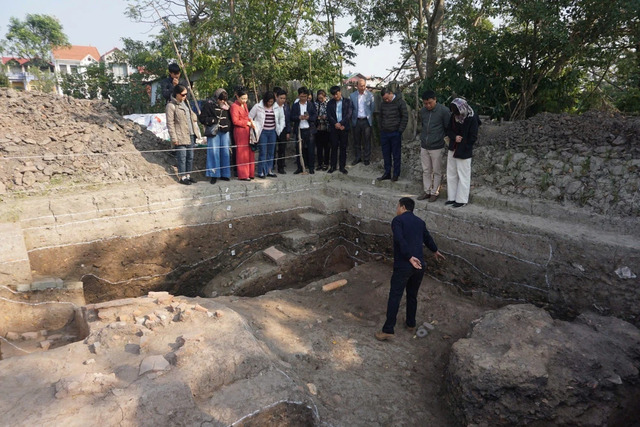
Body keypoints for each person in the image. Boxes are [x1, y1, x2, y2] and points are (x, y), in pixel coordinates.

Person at [375, 197, 445, 341]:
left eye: (397, 206)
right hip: (420, 265)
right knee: (412, 295)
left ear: (402, 207)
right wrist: (435, 250)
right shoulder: (420, 222)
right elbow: (427, 238)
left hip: (405, 264)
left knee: (395, 296)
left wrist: (408, 257)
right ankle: (411, 323)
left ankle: (388, 329)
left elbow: (400, 240)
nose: (396, 209)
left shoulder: (398, 221)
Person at [445, 98, 480, 208]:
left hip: (464, 150)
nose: (456, 114)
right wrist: (454, 137)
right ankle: (452, 197)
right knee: (451, 173)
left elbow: (473, 137)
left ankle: (461, 200)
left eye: (457, 111)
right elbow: (449, 130)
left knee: (463, 175)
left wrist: (463, 143)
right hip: (453, 148)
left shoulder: (472, 118)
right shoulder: (453, 116)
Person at [418, 90, 451, 202]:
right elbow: (422, 125)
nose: (428, 105)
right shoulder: (423, 111)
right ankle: (427, 191)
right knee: (426, 170)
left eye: (430, 103)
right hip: (424, 145)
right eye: (425, 103)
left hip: (437, 146)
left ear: (435, 99)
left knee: (437, 170)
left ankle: (435, 192)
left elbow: (447, 127)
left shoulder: (444, 111)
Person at [166, 84, 201, 185]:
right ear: (177, 94)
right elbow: (170, 123)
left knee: (190, 156)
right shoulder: (171, 106)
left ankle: (188, 175)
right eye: (183, 94)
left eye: (186, 94)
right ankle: (182, 177)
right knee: (182, 157)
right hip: (180, 135)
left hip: (191, 133)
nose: (185, 96)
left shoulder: (186, 103)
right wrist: (173, 138)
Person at [199, 88, 232, 184]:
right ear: (216, 97)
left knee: (225, 152)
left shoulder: (227, 106)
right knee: (213, 152)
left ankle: (225, 174)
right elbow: (202, 118)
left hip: (225, 132)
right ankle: (213, 174)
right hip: (214, 132)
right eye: (220, 99)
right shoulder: (209, 105)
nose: (222, 101)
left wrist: (227, 125)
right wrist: (212, 120)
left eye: (224, 100)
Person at [249, 91, 284, 178]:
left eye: (271, 102)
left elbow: (281, 118)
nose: (270, 103)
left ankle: (269, 170)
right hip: (263, 132)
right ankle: (261, 171)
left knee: (271, 152)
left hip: (272, 131)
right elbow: (250, 117)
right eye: (268, 102)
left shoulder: (276, 107)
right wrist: (255, 126)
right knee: (263, 152)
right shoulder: (258, 106)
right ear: (265, 101)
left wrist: (279, 129)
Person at [378, 87, 409, 182]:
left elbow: (405, 117)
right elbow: (380, 117)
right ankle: (387, 173)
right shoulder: (383, 105)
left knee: (396, 155)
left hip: (395, 132)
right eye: (385, 99)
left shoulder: (400, 102)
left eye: (388, 98)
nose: (387, 100)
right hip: (385, 133)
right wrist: (381, 128)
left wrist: (400, 131)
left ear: (391, 93)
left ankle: (396, 174)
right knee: (386, 154)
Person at [229, 87, 255, 181]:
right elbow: (235, 121)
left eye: (246, 98)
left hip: (247, 130)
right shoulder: (234, 106)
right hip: (240, 131)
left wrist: (251, 122)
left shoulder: (245, 105)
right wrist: (246, 123)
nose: (244, 100)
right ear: (237, 97)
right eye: (243, 98)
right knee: (242, 152)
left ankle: (250, 172)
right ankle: (243, 174)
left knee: (249, 151)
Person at [290, 86, 318, 174]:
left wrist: (308, 118)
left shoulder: (311, 104)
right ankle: (300, 167)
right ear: (298, 96)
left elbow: (315, 116)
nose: (303, 98)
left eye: (305, 96)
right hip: (299, 130)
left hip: (309, 130)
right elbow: (291, 117)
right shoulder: (295, 106)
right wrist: (298, 117)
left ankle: (311, 167)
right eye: (301, 96)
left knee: (310, 149)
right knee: (299, 149)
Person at [326, 85, 352, 174]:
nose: (336, 96)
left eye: (337, 94)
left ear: (340, 92)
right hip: (334, 128)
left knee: (343, 148)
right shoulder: (330, 103)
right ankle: (333, 166)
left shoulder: (347, 102)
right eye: (334, 95)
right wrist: (336, 124)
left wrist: (341, 123)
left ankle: (342, 167)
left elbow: (348, 114)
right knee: (333, 147)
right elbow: (329, 115)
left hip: (344, 128)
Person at [349, 78, 375, 165]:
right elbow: (351, 108)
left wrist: (368, 117)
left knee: (367, 140)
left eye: (364, 85)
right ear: (357, 86)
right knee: (356, 141)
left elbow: (372, 109)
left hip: (366, 121)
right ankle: (358, 157)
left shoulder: (370, 96)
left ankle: (366, 158)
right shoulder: (352, 96)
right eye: (361, 86)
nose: (363, 87)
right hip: (356, 121)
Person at [273, 88, 291, 174]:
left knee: (282, 149)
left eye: (284, 98)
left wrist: (288, 131)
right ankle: (271, 166)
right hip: (273, 129)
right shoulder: (272, 106)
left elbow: (288, 120)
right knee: (272, 149)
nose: (283, 100)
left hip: (283, 130)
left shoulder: (286, 107)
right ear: (276, 97)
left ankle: (281, 167)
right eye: (281, 98)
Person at [315, 90, 330, 171]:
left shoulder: (329, 103)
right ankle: (320, 163)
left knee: (326, 146)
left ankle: (326, 163)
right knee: (319, 147)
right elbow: (314, 114)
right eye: (319, 98)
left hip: (327, 127)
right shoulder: (316, 103)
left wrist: (325, 117)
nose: (320, 99)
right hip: (318, 127)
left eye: (321, 98)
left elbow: (330, 113)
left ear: (324, 96)